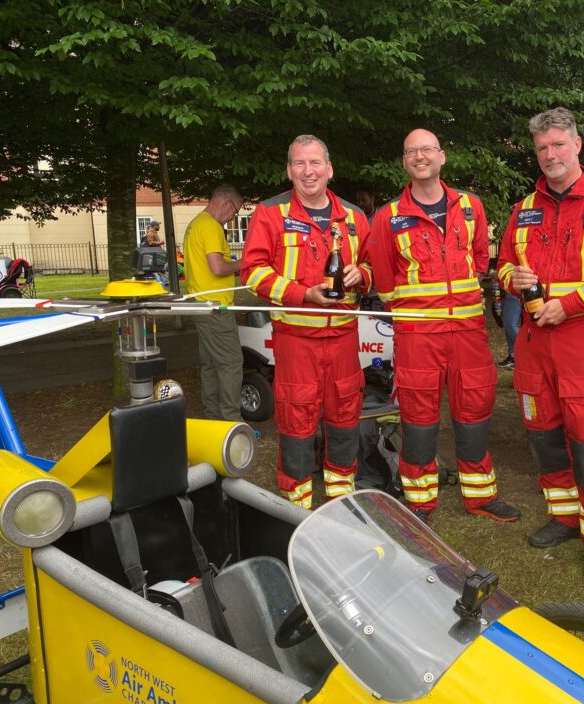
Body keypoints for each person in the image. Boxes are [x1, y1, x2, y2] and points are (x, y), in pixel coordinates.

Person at [496, 107, 584, 582]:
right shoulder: (523, 207)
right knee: (545, 438)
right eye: (542, 148)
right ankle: (563, 517)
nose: (550, 155)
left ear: (577, 145)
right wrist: (512, 280)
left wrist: (568, 305)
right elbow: (501, 265)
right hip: (535, 342)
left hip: (580, 340)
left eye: (558, 145)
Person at [365, 128, 520, 524]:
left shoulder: (471, 206)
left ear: (442, 156)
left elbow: (481, 257)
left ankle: (481, 496)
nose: (420, 156)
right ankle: (420, 501)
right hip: (418, 335)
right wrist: (417, 314)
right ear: (404, 162)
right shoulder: (387, 217)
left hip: (468, 333)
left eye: (427, 149)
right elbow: (384, 278)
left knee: (474, 412)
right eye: (412, 151)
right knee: (418, 417)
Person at [241, 135, 372, 508]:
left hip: (344, 338)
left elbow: (373, 265)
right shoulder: (271, 213)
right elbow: (252, 272)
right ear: (289, 170)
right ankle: (296, 503)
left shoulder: (354, 217)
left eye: (315, 163)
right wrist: (302, 294)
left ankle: (341, 498)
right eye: (299, 163)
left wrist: (360, 275)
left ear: (329, 169)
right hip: (295, 338)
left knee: (346, 414)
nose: (308, 171)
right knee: (296, 417)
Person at [183, 185, 245, 423]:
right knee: (230, 363)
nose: (232, 218)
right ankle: (232, 421)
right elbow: (218, 267)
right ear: (226, 203)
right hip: (216, 308)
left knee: (210, 364)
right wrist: (243, 261)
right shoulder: (211, 226)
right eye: (235, 212)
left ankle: (214, 417)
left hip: (200, 303)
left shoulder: (195, 224)